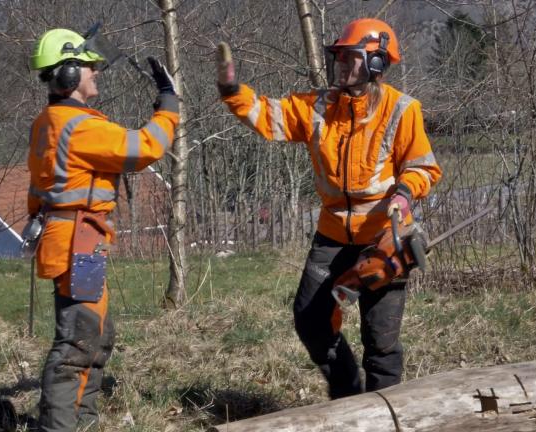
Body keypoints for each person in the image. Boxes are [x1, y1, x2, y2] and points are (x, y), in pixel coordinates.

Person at [216, 18, 442, 398]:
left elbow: (423, 166)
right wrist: (231, 89)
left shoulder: (403, 110)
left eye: (349, 56)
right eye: (337, 55)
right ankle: (347, 396)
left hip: (384, 239)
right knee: (310, 320)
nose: (340, 63)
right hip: (332, 236)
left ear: (375, 64)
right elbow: (267, 116)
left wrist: (404, 193)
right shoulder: (318, 107)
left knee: (381, 341)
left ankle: (389, 416)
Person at [27, 28, 179, 431]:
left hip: (76, 239)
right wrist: (168, 104)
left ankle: (82, 422)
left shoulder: (50, 121)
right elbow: (145, 147)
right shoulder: (79, 127)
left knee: (93, 336)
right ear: (70, 75)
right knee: (79, 343)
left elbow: (38, 190)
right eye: (89, 67)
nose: (97, 72)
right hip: (77, 242)